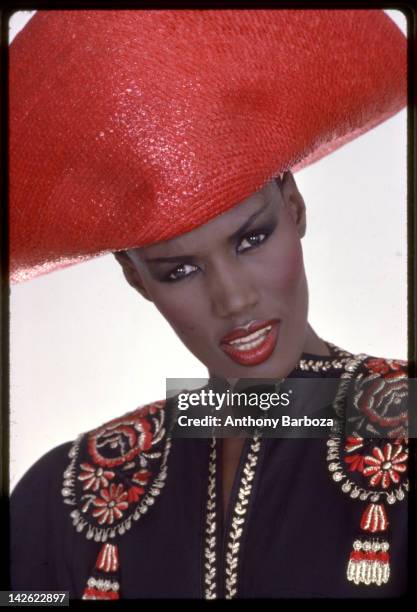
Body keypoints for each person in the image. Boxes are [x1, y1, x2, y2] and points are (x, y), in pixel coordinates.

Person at [9, 10, 408, 599]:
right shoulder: (60, 499)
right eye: (181, 270)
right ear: (136, 278)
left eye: (252, 239)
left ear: (294, 208)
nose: (235, 298)